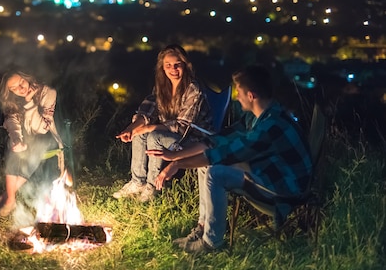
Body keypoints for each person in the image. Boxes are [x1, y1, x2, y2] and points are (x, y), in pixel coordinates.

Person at [147, 64, 313, 253]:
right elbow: (218, 141)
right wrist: (175, 156)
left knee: (215, 172)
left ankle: (211, 243)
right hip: (271, 170)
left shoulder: (270, 126)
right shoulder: (257, 116)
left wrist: (177, 164)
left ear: (251, 95)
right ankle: (203, 227)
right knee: (207, 165)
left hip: (285, 189)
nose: (237, 97)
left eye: (239, 93)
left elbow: (225, 154)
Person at [113, 44, 213, 202]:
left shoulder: (193, 89)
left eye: (177, 65)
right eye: (168, 66)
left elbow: (183, 126)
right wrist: (132, 128)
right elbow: (147, 111)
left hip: (194, 139)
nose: (173, 69)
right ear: (163, 68)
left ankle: (153, 187)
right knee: (142, 133)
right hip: (171, 135)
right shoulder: (162, 87)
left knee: (154, 136)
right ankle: (137, 181)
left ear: (185, 65)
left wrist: (150, 127)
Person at [0, 70, 64, 217]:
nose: (21, 89)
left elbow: (42, 128)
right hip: (25, 137)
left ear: (26, 78)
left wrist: (30, 103)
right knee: (12, 144)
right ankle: (11, 200)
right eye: (14, 88)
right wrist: (17, 140)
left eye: (21, 83)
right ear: (9, 91)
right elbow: (12, 123)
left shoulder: (47, 92)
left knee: (38, 145)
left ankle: (7, 196)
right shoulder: (12, 100)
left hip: (47, 137)